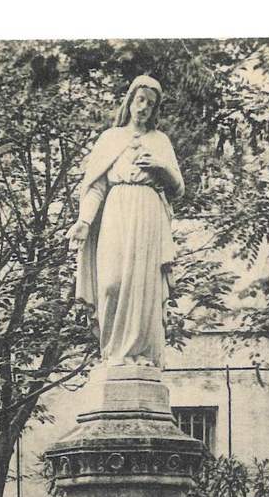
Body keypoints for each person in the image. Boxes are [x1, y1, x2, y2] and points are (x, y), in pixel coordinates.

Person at [67, 75, 184, 369]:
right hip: (116, 211)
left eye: (150, 103)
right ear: (130, 100)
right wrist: (84, 221)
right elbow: (95, 186)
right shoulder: (110, 139)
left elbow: (178, 188)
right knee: (111, 283)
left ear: (155, 109)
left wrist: (161, 168)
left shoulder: (160, 141)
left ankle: (139, 354)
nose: (143, 107)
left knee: (143, 286)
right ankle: (112, 353)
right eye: (139, 100)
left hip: (147, 213)